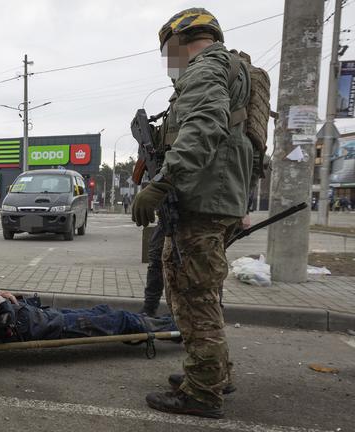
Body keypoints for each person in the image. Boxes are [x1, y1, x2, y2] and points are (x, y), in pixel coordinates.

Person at [133, 8, 254, 419]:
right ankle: (214, 372)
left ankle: (202, 392)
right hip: (217, 198)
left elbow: (201, 129)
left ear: (180, 41)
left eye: (167, 51)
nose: (169, 61)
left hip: (201, 201)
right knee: (200, 291)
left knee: (193, 295)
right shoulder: (231, 70)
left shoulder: (205, 69)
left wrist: (160, 185)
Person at [0, 289, 178, 347]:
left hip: (38, 315)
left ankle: (165, 323)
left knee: (103, 312)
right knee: (114, 321)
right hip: (46, 326)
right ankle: (173, 329)